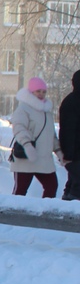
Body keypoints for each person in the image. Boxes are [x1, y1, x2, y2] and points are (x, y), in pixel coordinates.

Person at [9, 76, 61, 198]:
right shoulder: (23, 108)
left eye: (43, 92)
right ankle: (14, 215)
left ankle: (45, 213)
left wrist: (58, 151)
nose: (41, 94)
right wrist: (27, 146)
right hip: (26, 157)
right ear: (31, 92)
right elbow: (19, 128)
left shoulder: (46, 111)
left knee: (51, 186)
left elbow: (50, 134)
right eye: (38, 91)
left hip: (43, 159)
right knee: (20, 192)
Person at [59, 70, 80, 201]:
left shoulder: (71, 100)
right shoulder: (73, 101)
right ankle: (70, 214)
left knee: (73, 183)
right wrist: (68, 155)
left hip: (74, 152)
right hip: (74, 153)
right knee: (77, 186)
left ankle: (65, 209)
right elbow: (68, 130)